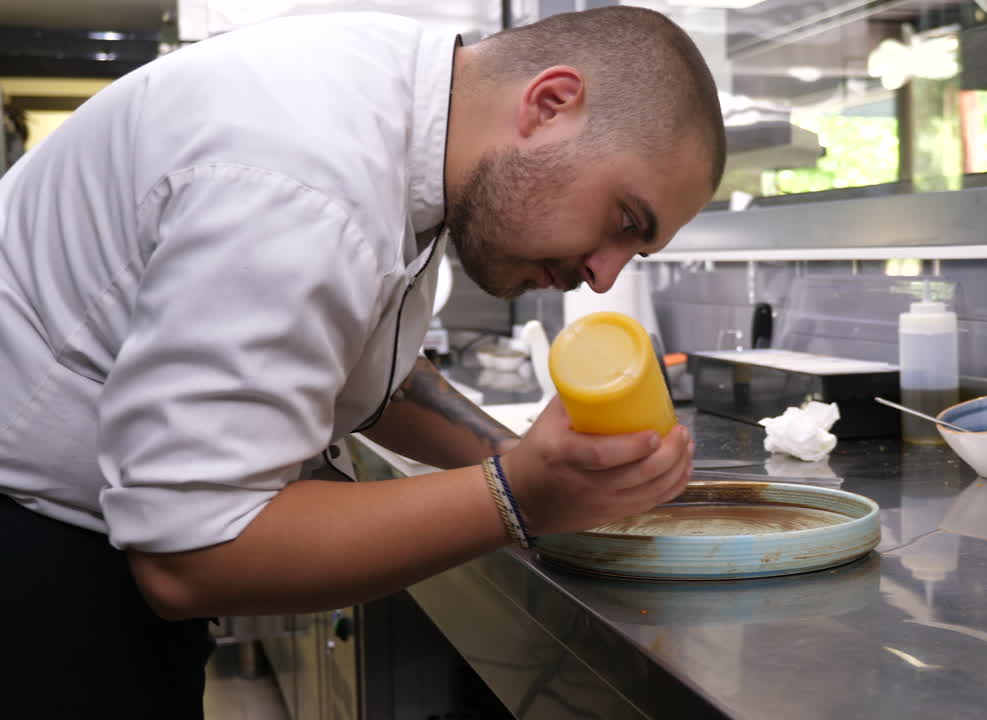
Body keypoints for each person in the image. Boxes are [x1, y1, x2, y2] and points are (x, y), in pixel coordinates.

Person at [0, 7, 724, 718]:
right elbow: (191, 557)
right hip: (32, 554)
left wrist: (533, 463)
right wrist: (518, 495)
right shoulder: (302, 179)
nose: (604, 276)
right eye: (625, 222)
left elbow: (345, 360)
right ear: (550, 104)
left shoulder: (399, 107)